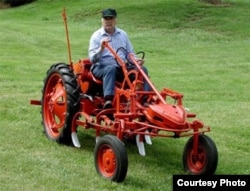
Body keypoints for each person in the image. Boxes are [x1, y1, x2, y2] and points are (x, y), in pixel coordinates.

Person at [88, 8, 150, 109]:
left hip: (121, 67)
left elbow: (129, 53)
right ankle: (108, 99)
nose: (108, 21)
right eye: (106, 18)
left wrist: (135, 60)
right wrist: (101, 48)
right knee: (110, 68)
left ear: (115, 20)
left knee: (142, 69)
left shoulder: (122, 34)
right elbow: (92, 59)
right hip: (101, 67)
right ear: (102, 20)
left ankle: (146, 98)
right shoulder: (96, 36)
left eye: (111, 18)